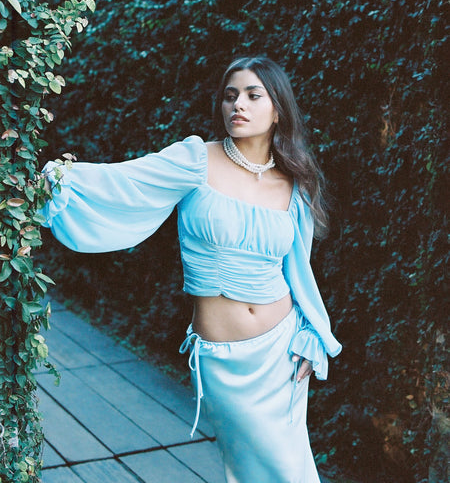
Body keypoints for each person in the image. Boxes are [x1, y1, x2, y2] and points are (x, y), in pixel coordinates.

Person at [41, 56, 341, 483]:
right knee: (256, 469)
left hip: (282, 350)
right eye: (230, 95)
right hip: (223, 357)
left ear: (278, 111)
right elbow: (125, 181)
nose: (238, 104)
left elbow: (299, 270)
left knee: (289, 467)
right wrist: (56, 181)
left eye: (253, 95)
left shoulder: (295, 184)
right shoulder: (196, 159)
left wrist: (312, 331)